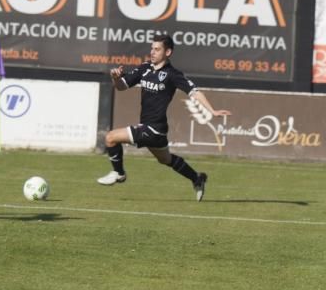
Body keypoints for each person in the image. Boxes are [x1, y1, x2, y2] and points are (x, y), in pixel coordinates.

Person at [97, 33, 230, 201]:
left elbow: (194, 92)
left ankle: (119, 173)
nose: (152, 52)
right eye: (152, 48)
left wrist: (213, 111)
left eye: (157, 49)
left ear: (167, 52)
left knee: (110, 138)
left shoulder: (172, 74)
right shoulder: (145, 68)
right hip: (154, 130)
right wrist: (115, 78)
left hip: (154, 129)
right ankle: (197, 178)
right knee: (166, 160)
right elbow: (122, 86)